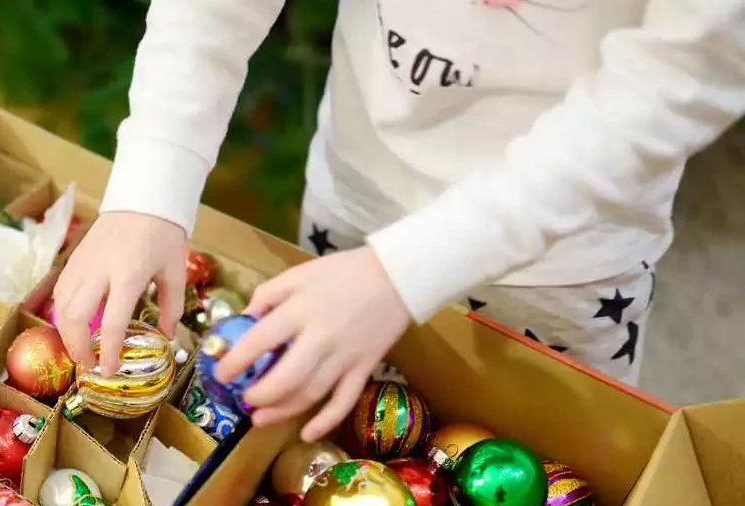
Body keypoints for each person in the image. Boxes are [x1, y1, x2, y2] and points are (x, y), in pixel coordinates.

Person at [52, 0, 745, 442]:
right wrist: (153, 177)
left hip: (562, 267)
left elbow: (676, 87)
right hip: (357, 192)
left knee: (565, 458)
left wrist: (405, 271)